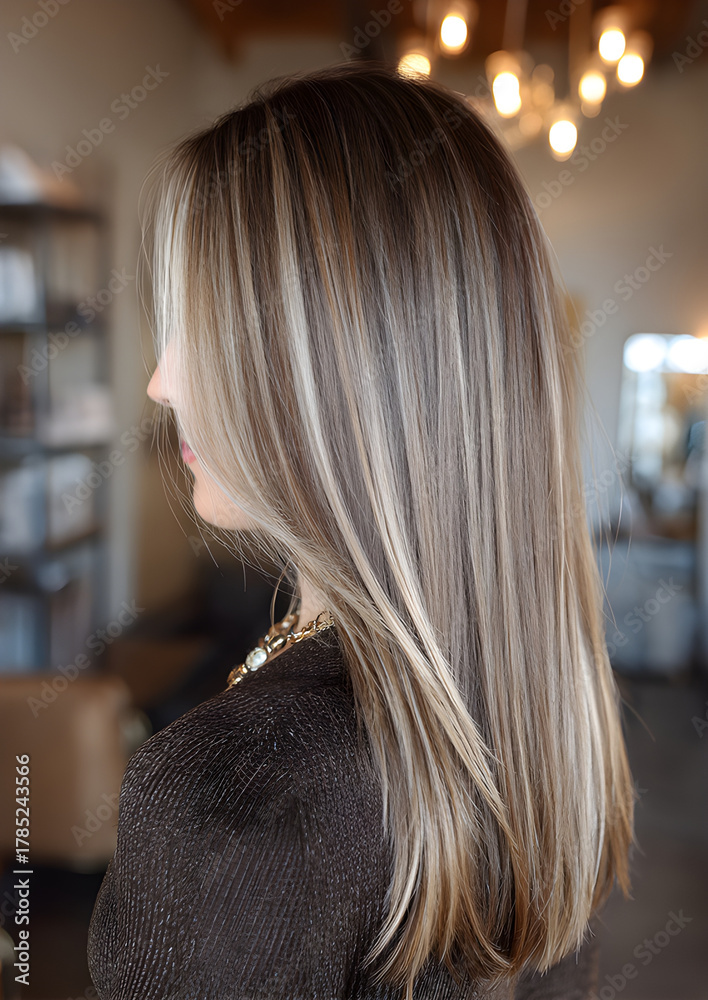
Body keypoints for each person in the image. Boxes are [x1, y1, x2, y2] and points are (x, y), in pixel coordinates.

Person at [87, 61, 637, 1000]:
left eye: (202, 329)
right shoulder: (510, 707)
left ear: (332, 376)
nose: (161, 383)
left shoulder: (232, 797)